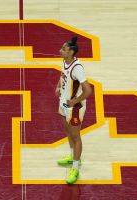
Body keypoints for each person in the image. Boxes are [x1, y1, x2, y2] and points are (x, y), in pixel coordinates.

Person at [55, 36, 92, 184]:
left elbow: (88, 90)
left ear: (71, 52)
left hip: (74, 107)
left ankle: (76, 169)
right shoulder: (65, 61)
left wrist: (75, 101)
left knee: (76, 137)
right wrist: (58, 86)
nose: (60, 50)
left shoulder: (78, 69)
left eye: (63, 49)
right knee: (68, 131)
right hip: (63, 102)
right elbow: (63, 75)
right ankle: (72, 156)